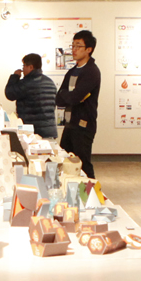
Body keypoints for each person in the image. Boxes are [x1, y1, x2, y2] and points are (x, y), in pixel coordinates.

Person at [55, 29, 102, 177]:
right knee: (66, 162)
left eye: (78, 46)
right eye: (73, 45)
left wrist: (69, 96)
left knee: (83, 165)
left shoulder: (91, 72)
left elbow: (73, 98)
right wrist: (70, 96)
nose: (74, 49)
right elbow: (59, 99)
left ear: (89, 49)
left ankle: (91, 190)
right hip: (70, 124)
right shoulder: (72, 71)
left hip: (83, 126)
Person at [4, 53, 57, 138]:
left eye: (24, 66)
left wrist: (15, 77)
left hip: (33, 132)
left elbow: (9, 93)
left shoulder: (27, 83)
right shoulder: (50, 82)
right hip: (50, 130)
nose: (22, 69)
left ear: (31, 67)